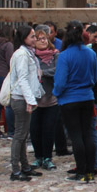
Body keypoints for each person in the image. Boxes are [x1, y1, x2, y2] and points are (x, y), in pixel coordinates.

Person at [54, 24, 97, 182]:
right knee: (87, 133)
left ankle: (81, 170)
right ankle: (90, 169)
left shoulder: (64, 56)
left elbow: (60, 81)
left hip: (69, 99)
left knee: (76, 136)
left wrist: (56, 94)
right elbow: (95, 76)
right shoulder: (91, 53)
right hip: (87, 97)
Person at [8, 24, 44, 181]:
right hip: (21, 98)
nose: (35, 39)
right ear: (24, 38)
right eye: (32, 36)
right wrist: (30, 99)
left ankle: (25, 166)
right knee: (20, 135)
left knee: (22, 134)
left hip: (24, 97)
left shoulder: (28, 53)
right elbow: (22, 78)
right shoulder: (22, 55)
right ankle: (15, 169)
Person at [29, 25, 61, 171]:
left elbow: (57, 70)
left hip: (51, 98)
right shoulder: (32, 57)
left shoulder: (55, 55)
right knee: (35, 129)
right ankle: (38, 156)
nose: (42, 41)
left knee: (49, 129)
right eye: (39, 39)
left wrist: (42, 72)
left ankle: (48, 157)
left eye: (44, 38)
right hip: (35, 99)